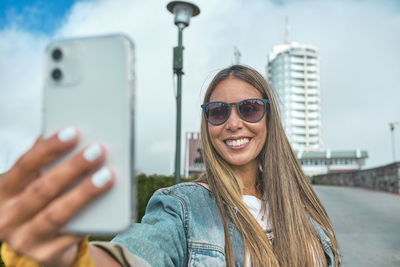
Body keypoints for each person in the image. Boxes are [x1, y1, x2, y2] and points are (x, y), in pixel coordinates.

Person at [0, 65, 339, 266]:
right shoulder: (183, 207)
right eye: (219, 112)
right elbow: (138, 251)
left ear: (269, 118)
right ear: (207, 124)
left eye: (249, 108)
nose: (233, 123)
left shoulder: (303, 207)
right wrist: (67, 257)